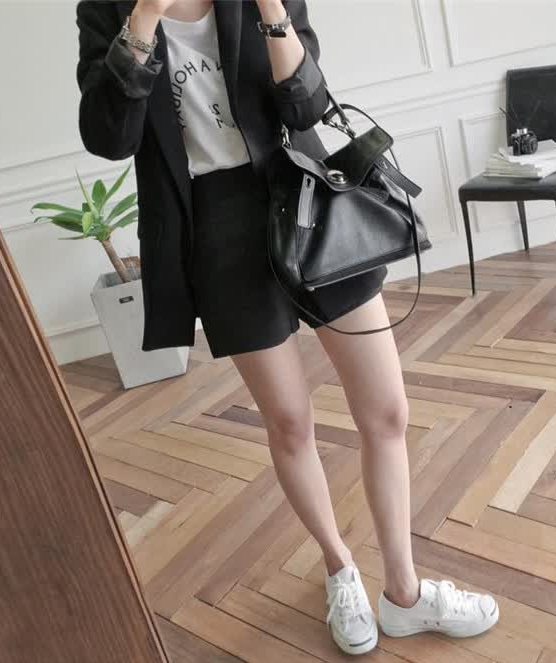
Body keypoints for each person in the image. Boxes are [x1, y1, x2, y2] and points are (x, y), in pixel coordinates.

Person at [75, 0, 499, 654]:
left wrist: (272, 8)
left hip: (304, 194)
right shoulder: (107, 8)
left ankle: (405, 594)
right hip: (215, 228)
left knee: (387, 410)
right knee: (291, 423)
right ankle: (339, 566)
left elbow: (307, 108)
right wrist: (145, 17)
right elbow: (110, 138)